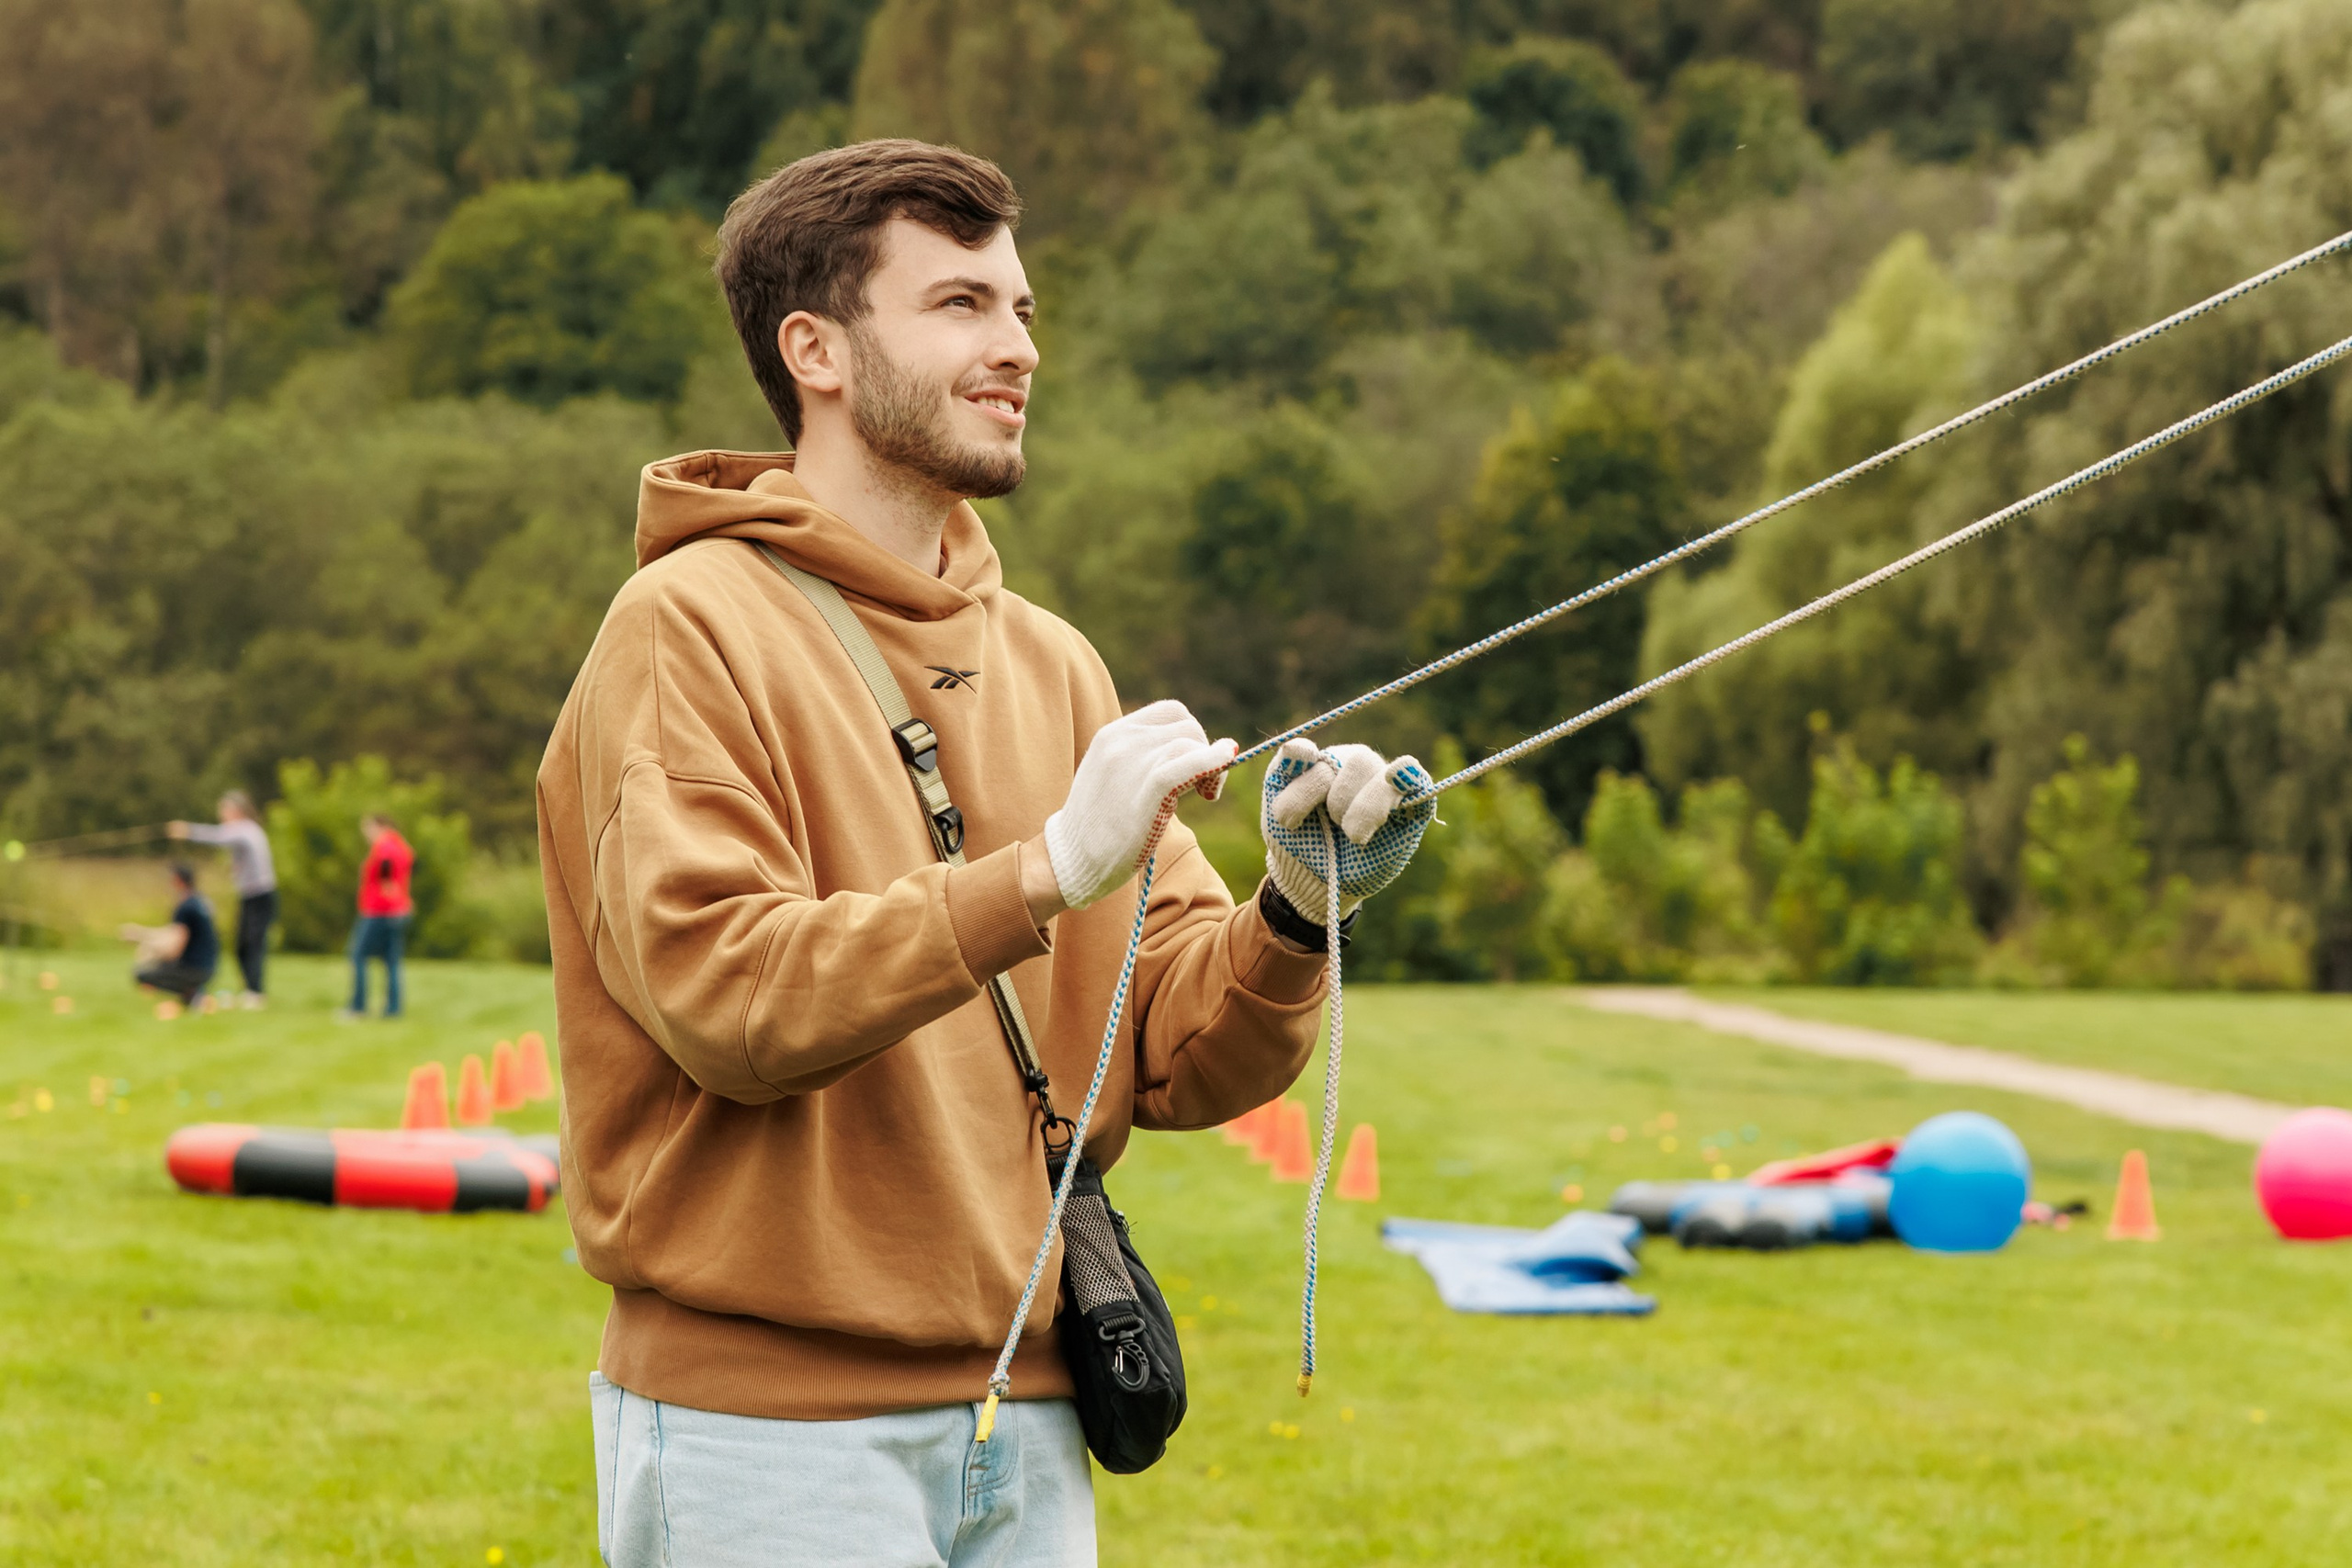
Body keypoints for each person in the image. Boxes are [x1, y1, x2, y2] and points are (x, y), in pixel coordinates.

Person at [537, 141, 1433, 1568]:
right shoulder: (684, 629)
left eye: (1023, 310)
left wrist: (1292, 908)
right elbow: (730, 997)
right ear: (815, 349)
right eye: (961, 305)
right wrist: (1041, 872)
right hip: (768, 1440)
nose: (1017, 346)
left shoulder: (1054, 658)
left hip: (1030, 1415)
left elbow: (1173, 1047)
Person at [169, 791, 277, 1008]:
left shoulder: (245, 830)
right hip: (251, 895)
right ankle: (250, 990)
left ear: (236, 811)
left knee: (252, 944)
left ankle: (255, 993)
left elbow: (218, 837)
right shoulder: (246, 831)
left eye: (223, 811)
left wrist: (187, 831)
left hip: (260, 896)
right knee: (241, 945)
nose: (221, 815)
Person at [343, 813, 413, 1020]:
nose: (367, 835)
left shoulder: (385, 847)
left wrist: (389, 893)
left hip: (380, 910)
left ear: (379, 826)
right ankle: (393, 1009)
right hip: (397, 910)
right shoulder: (402, 846)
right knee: (391, 961)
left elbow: (386, 871)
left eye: (368, 829)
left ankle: (358, 1006)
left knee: (357, 955)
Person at [121, 863, 220, 1008]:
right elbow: (173, 932)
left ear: (178, 881)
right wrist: (140, 934)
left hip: (194, 969)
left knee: (142, 975)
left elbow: (175, 948)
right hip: (209, 967)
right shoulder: (201, 901)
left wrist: (152, 951)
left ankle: (192, 992)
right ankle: (192, 992)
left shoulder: (185, 907)